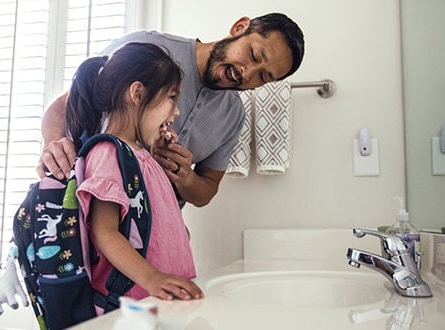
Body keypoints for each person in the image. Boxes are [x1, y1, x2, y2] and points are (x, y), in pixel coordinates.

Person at [39, 13, 305, 208]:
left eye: (263, 77)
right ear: (239, 28)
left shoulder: (234, 116)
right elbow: (64, 107)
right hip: (88, 209)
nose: (246, 73)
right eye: (254, 55)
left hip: (154, 232)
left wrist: (185, 177)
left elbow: (207, 190)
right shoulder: (149, 47)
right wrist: (55, 145)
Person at [67, 42, 203, 314]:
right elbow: (105, 231)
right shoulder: (107, 152)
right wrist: (153, 278)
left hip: (158, 301)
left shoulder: (140, 156)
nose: (176, 112)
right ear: (138, 93)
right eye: (172, 98)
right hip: (130, 307)